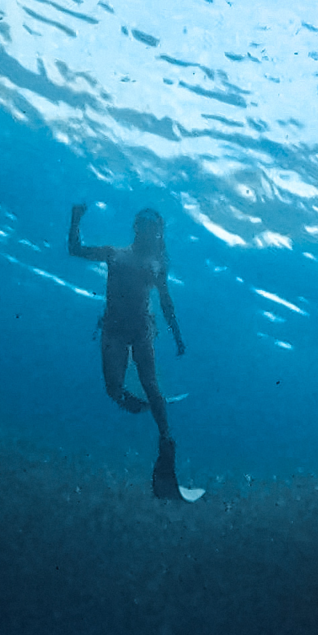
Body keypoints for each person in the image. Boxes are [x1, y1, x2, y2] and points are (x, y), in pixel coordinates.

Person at [69, 201, 187, 496]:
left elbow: (166, 302)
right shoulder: (115, 254)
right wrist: (75, 219)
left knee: (151, 385)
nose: (150, 233)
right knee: (113, 389)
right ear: (137, 229)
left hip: (142, 330)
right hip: (113, 329)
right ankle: (141, 406)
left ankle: (166, 440)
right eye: (146, 227)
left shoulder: (157, 264)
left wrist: (177, 335)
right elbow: (76, 250)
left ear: (158, 234)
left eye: (155, 229)